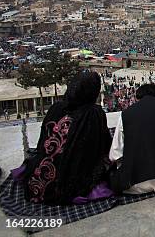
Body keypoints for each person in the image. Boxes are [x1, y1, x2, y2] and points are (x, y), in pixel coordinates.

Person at [19, 71, 112, 205]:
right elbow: (102, 147)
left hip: (38, 178)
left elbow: (43, 142)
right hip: (67, 181)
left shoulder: (55, 108)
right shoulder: (93, 113)